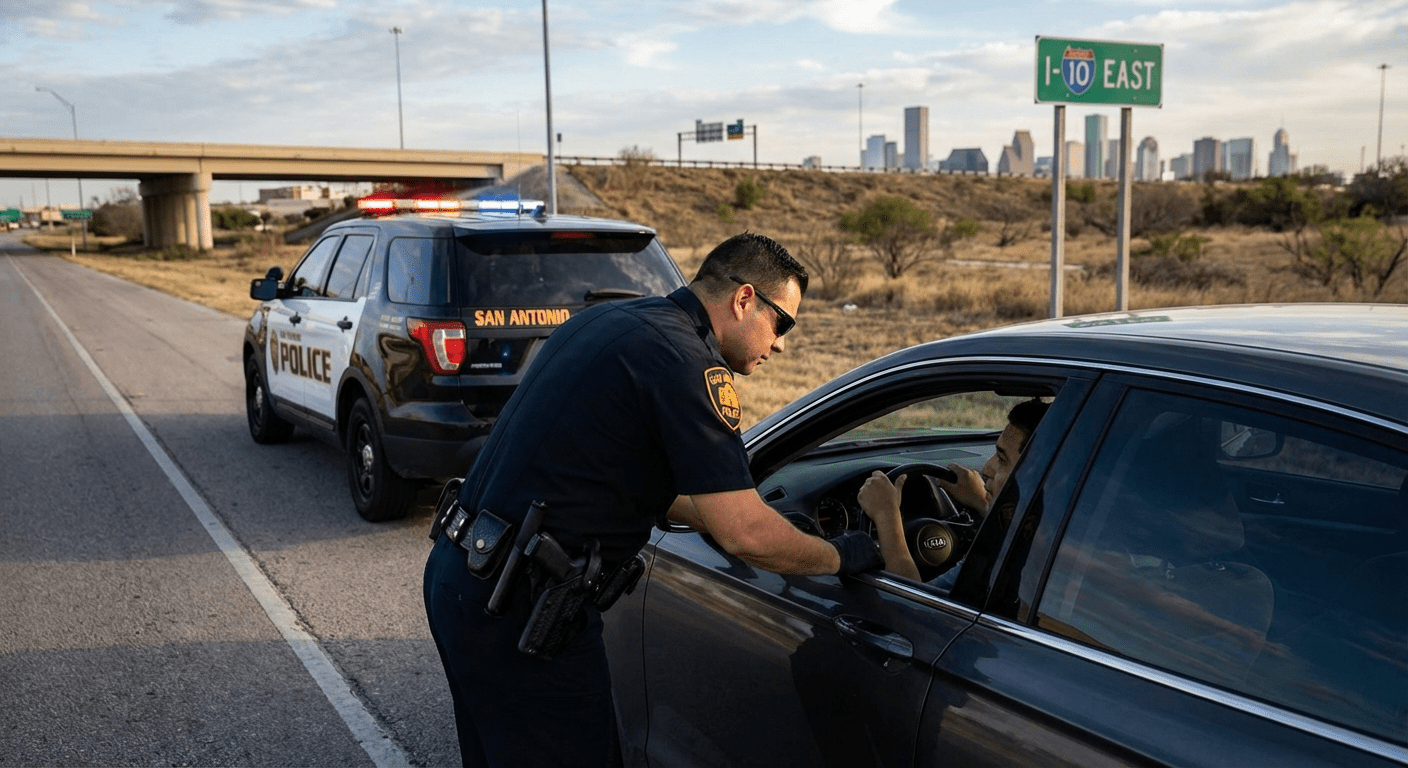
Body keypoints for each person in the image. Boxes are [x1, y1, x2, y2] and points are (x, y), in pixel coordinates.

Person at [423, 232, 883, 768]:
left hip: (463, 578)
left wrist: (756, 520)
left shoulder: (611, 323)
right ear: (743, 300)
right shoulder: (689, 366)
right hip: (522, 609)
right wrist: (842, 554)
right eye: (783, 323)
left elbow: (617, 474)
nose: (781, 344)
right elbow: (746, 534)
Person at [857, 398, 1050, 581]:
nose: (986, 469)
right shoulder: (1052, 537)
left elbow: (911, 611)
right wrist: (983, 503)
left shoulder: (1009, 565)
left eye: (1002, 459)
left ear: (1036, 477)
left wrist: (887, 517)